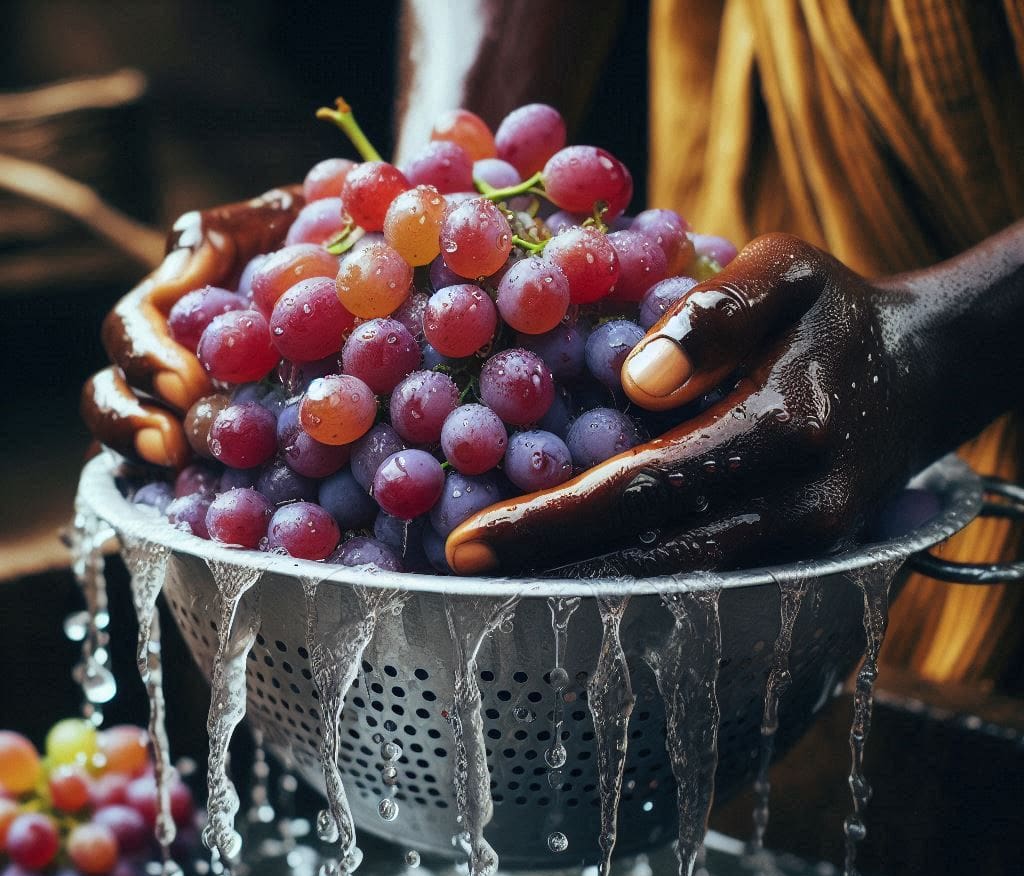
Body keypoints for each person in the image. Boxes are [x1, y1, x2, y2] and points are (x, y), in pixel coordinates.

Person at [83, 0, 1024, 687]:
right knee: (701, 463)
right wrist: (436, 188)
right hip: (769, 343)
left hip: (905, 382)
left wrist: (961, 338)